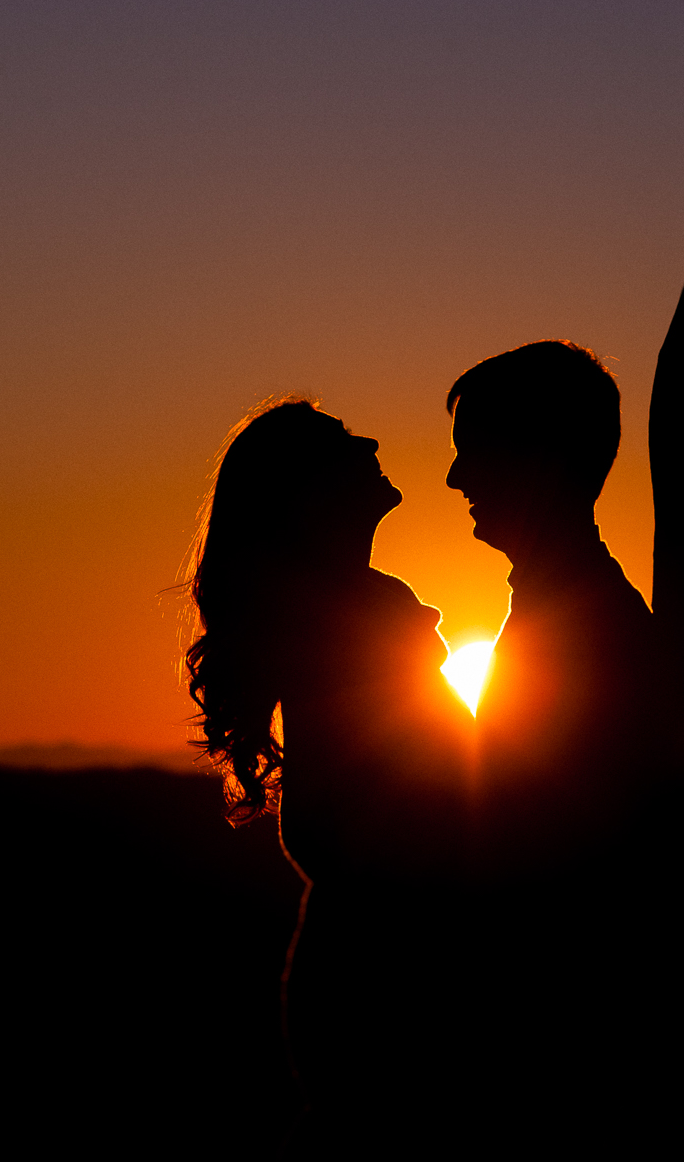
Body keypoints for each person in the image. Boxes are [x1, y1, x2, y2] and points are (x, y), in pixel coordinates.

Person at [182, 396, 471, 1140]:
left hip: (365, 974)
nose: (371, 436)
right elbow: (360, 824)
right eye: (343, 440)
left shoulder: (356, 614)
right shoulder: (349, 627)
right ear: (307, 492)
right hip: (390, 991)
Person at [443, 341, 669, 873]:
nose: (455, 478)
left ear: (534, 456)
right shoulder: (574, 611)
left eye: (472, 450)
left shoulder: (588, 636)